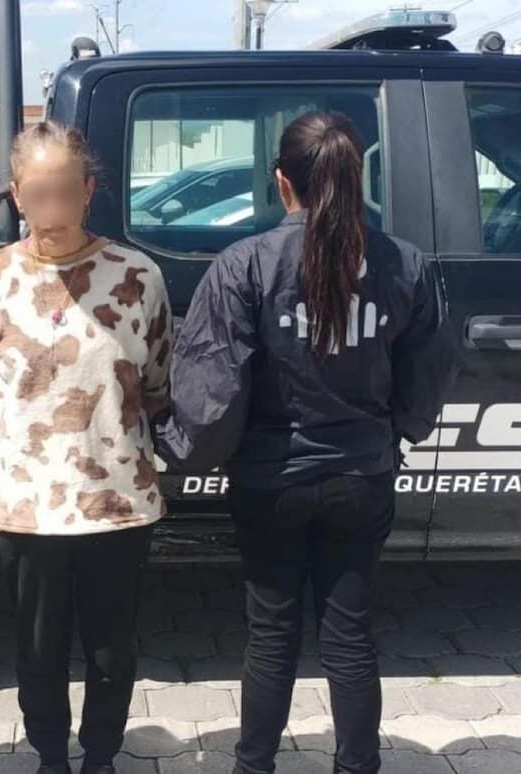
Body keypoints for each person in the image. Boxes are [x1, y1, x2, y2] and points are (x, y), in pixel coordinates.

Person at [155, 111, 458, 774]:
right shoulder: (404, 265)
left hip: (271, 482)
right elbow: (427, 379)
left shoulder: (244, 265)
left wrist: (176, 448)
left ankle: (254, 766)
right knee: (349, 635)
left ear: (281, 181)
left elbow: (212, 395)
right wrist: (397, 433)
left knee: (271, 636)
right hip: (362, 476)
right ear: (356, 179)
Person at [0, 121, 173, 774]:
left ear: (89, 191)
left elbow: (157, 379)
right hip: (30, 510)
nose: (51, 210)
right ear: (16, 195)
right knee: (38, 651)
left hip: (118, 503)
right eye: (37, 195)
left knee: (112, 651)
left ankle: (100, 755)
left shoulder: (138, 276)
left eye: (65, 193)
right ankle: (50, 755)